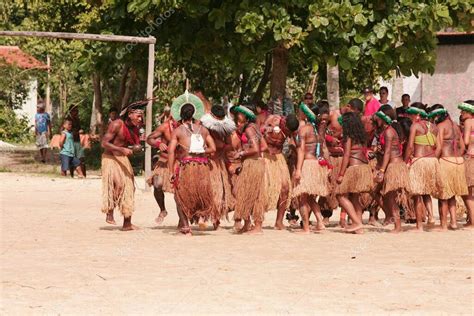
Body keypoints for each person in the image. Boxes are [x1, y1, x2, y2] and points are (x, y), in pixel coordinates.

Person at [167, 92, 217, 235]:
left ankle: (185, 227)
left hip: (187, 166)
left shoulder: (177, 131)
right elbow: (213, 149)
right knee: (201, 193)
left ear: (179, 114)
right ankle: (201, 217)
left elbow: (171, 152)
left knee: (179, 196)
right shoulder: (203, 130)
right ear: (195, 113)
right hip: (202, 166)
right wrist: (201, 150)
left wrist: (171, 171)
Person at [101, 102, 144, 231]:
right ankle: (110, 210)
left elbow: (133, 145)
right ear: (130, 114)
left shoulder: (135, 128)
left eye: (141, 117)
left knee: (130, 189)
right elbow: (104, 143)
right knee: (119, 185)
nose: (140, 119)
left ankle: (127, 223)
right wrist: (121, 149)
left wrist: (136, 148)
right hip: (110, 157)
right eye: (138, 116)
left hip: (122, 158)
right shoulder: (116, 124)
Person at [292, 103, 330, 233]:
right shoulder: (315, 130)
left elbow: (301, 150)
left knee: (302, 196)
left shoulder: (304, 130)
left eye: (300, 112)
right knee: (310, 197)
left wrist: (298, 169)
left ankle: (306, 228)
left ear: (305, 114)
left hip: (306, 164)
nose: (299, 114)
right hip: (315, 164)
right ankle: (320, 221)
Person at [373, 105, 410, 233]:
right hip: (394, 164)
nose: (376, 119)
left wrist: (382, 170)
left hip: (394, 166)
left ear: (383, 118)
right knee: (389, 196)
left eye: (378, 117)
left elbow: (388, 152)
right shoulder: (388, 130)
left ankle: (398, 226)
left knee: (391, 196)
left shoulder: (389, 131)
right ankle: (394, 221)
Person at [335, 112, 373, 234]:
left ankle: (356, 222)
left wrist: (341, 174)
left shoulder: (348, 136)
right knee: (355, 197)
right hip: (364, 167)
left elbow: (346, 155)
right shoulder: (361, 136)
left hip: (354, 167)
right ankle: (359, 228)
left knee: (340, 195)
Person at [404, 103, 441, 231]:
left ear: (418, 115)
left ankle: (419, 225)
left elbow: (409, 146)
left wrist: (405, 162)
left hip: (419, 161)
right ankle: (431, 216)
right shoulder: (435, 127)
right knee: (426, 191)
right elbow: (438, 146)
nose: (410, 118)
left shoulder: (415, 126)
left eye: (411, 115)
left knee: (417, 193)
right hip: (431, 161)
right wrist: (433, 158)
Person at [430, 105, 468, 230]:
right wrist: (456, 158)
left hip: (446, 161)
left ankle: (444, 225)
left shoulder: (441, 126)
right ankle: (453, 222)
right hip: (458, 162)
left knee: (443, 194)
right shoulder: (456, 127)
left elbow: (439, 147)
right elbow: (463, 147)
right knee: (451, 194)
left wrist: (434, 161)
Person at [232, 105, 268, 234]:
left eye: (240, 115)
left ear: (246, 117)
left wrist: (241, 153)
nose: (237, 117)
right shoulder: (254, 127)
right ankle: (249, 225)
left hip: (252, 164)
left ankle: (256, 226)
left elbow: (256, 149)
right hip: (256, 163)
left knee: (244, 193)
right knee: (251, 194)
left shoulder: (249, 130)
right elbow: (264, 146)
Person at [200, 105, 236, 229]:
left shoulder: (226, 129)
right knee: (204, 190)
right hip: (205, 162)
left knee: (219, 192)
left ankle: (216, 220)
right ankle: (202, 217)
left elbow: (230, 146)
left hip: (219, 163)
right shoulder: (203, 126)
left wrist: (221, 146)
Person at [261, 113, 292, 230]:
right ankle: (257, 218)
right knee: (262, 188)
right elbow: (258, 132)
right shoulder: (272, 120)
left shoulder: (290, 128)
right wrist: (266, 129)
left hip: (279, 158)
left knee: (285, 188)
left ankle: (279, 221)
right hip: (266, 157)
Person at [146, 112, 177, 225]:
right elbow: (149, 139)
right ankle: (163, 210)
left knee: (179, 191)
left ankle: (183, 219)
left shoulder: (187, 127)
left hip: (179, 163)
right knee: (157, 184)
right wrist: (158, 143)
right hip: (164, 161)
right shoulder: (165, 127)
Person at [458, 101, 474, 227]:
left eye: (463, 111)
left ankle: (473, 221)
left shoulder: (469, 122)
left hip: (471, 158)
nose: (461, 113)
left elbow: (466, 141)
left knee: (467, 191)